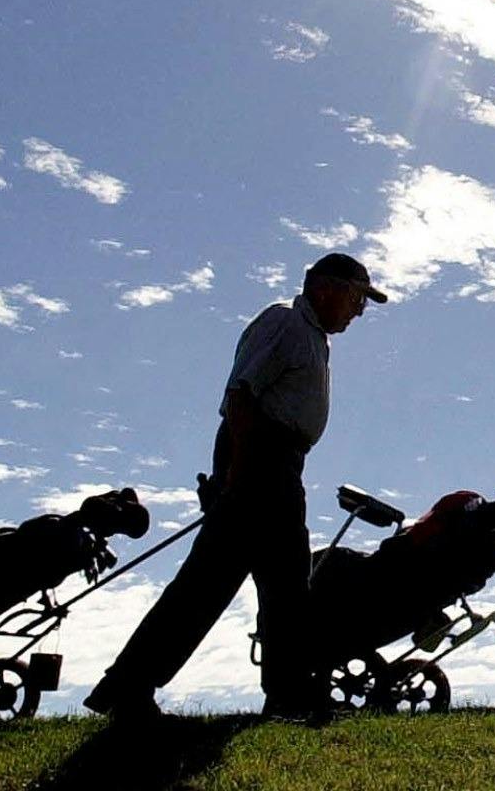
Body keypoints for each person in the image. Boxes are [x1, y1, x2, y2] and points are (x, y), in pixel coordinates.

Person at [83, 252, 386, 721]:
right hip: (261, 462)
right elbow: (240, 398)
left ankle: (280, 694)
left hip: (279, 466)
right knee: (225, 584)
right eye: (356, 298)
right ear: (325, 288)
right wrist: (238, 474)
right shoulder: (284, 323)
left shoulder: (312, 337)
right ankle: (133, 688)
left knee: (270, 584)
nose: (359, 311)